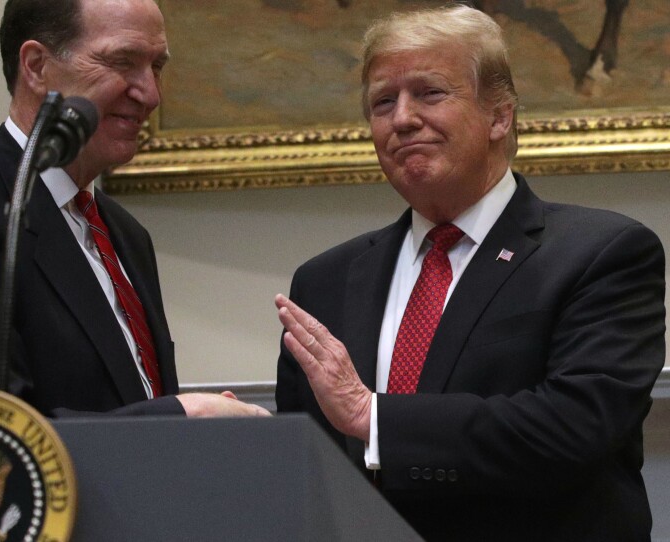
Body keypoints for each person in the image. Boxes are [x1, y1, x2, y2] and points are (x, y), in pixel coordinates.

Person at [275, 5, 664, 541]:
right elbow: (306, 470)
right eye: (383, 102)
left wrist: (375, 418)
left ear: (499, 116)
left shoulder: (602, 253)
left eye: (430, 93)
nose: (402, 118)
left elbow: (574, 429)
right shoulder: (323, 281)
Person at [0, 0, 269, 419]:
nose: (151, 95)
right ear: (36, 67)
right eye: (123, 62)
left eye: (156, 67)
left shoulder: (124, 233)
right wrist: (182, 414)